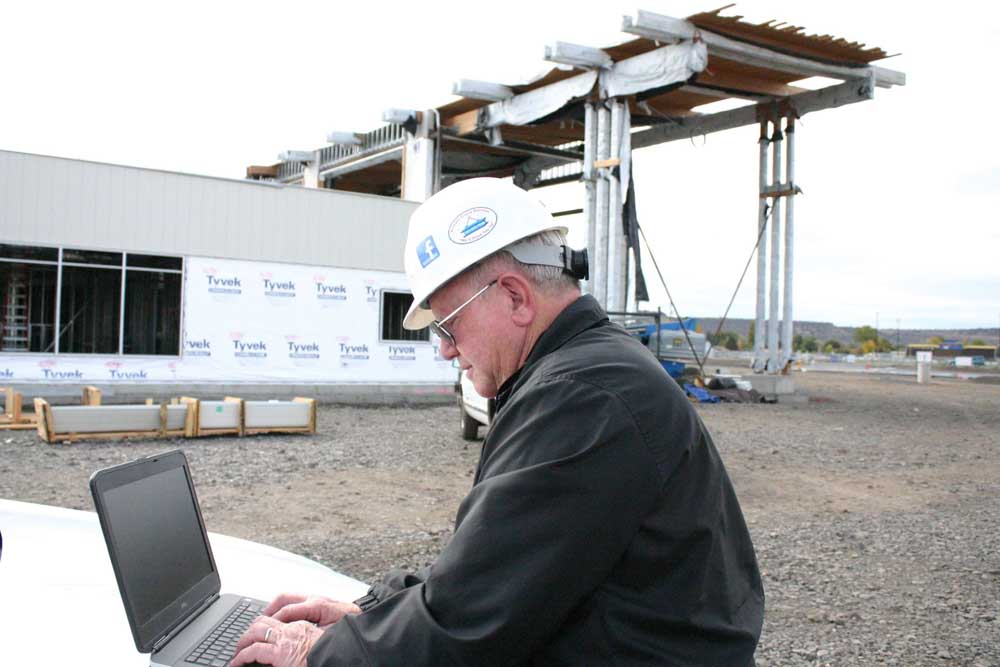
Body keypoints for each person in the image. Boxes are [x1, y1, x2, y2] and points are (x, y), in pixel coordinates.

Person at [234, 178, 764, 666]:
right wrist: (370, 613)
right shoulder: (585, 373)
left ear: (514, 297)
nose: (445, 350)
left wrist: (317, 654)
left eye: (447, 325)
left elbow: (467, 625)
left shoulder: (581, 397)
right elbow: (497, 569)